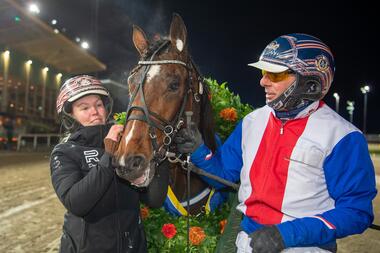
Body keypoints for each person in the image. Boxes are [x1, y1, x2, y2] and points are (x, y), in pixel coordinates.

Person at [175, 33, 377, 252]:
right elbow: (224, 176)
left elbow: (357, 212)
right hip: (247, 242)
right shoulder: (251, 122)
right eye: (264, 72)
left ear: (310, 83)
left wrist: (287, 234)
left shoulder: (342, 136)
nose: (263, 81)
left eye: (275, 74)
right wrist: (198, 151)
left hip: (305, 247)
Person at [50, 75, 168, 253]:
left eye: (98, 105)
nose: (95, 112)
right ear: (70, 115)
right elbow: (77, 203)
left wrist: (160, 155)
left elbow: (154, 199)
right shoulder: (64, 152)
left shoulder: (126, 144)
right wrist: (108, 156)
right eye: (84, 108)